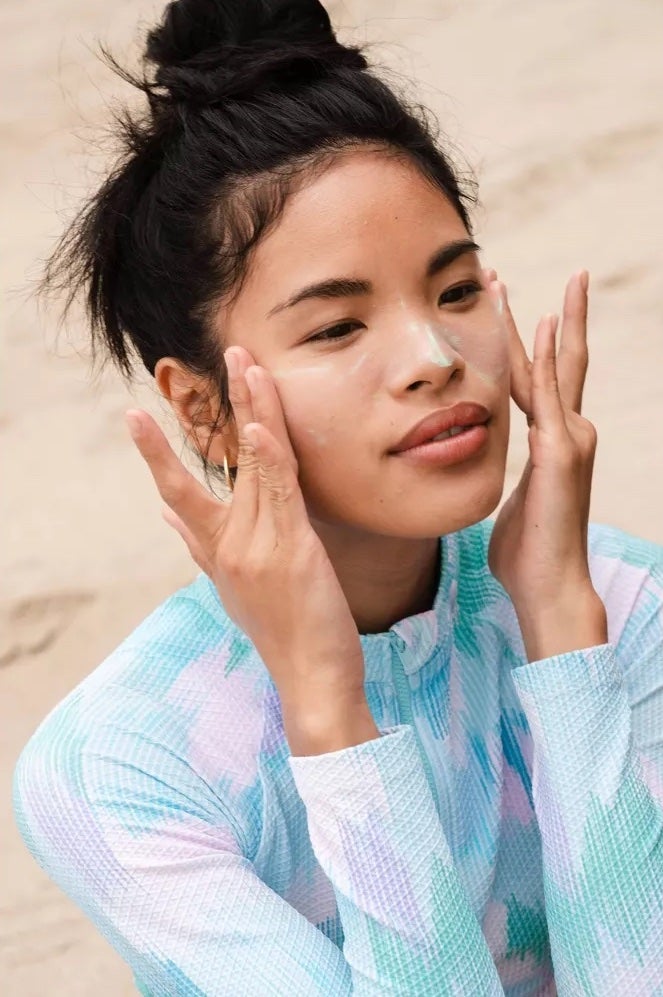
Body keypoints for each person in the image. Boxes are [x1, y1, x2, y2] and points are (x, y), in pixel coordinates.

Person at [12, 0, 663, 993]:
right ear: (201, 408)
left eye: (454, 291)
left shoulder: (619, 600)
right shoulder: (127, 761)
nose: (433, 356)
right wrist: (327, 708)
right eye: (336, 328)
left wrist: (567, 636)